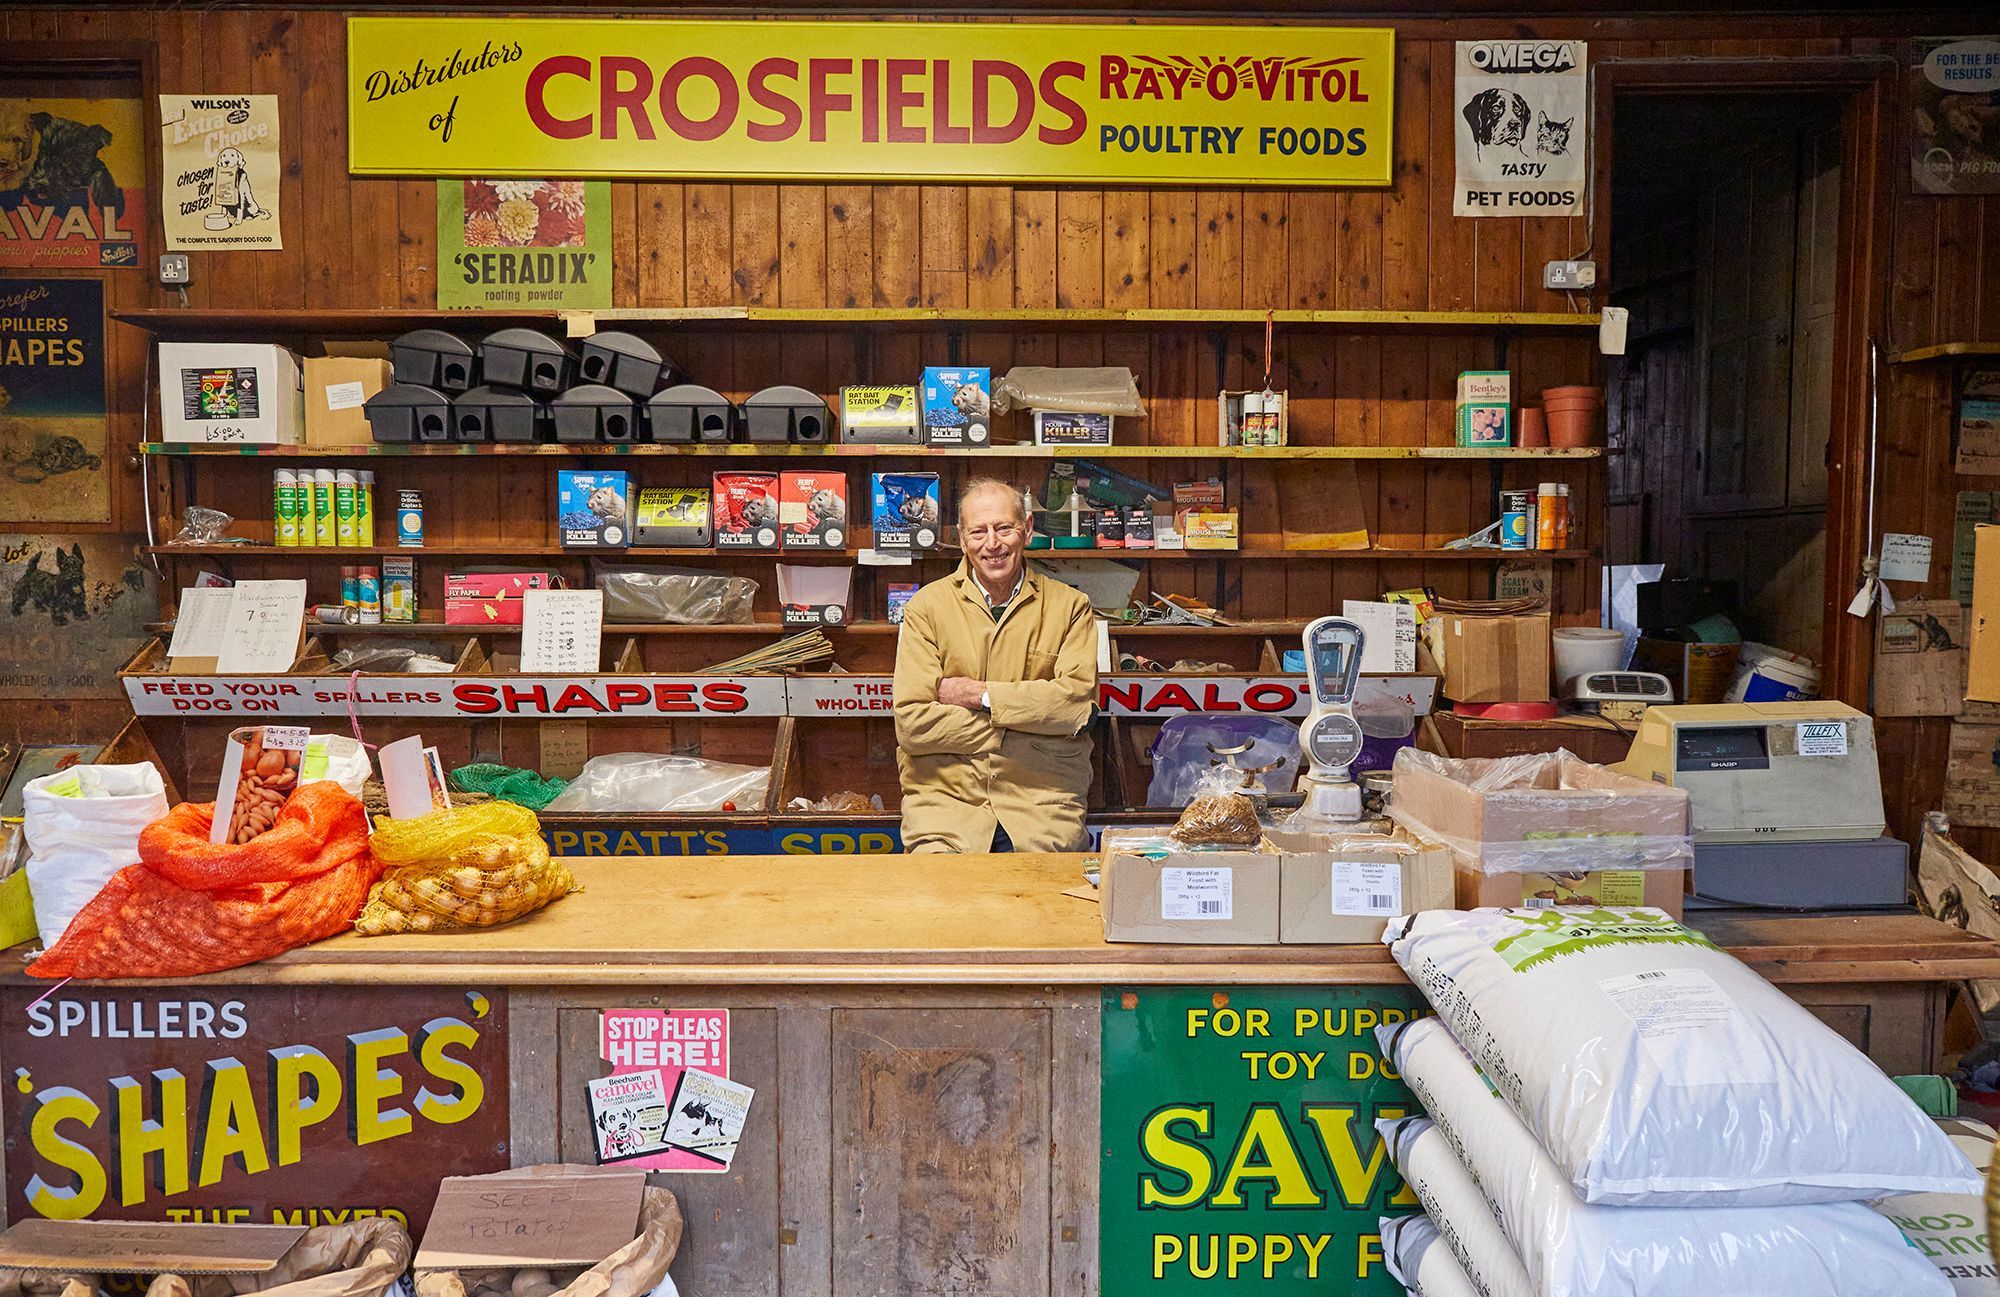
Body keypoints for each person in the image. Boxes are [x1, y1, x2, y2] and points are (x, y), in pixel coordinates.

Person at [892, 477, 1098, 853]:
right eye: (979, 531)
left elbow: (1074, 708)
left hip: (1043, 805)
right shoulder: (926, 608)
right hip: (946, 807)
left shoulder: (1070, 607)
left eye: (1004, 528)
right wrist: (1028, 723)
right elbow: (913, 724)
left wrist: (977, 694)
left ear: (1028, 529)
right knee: (937, 899)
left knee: (1047, 901)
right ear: (961, 537)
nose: (992, 544)